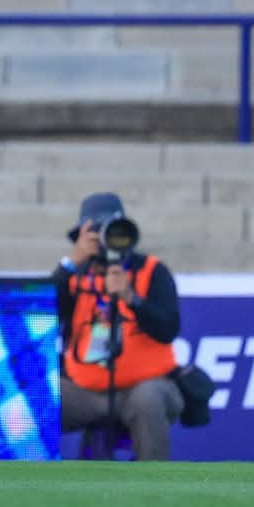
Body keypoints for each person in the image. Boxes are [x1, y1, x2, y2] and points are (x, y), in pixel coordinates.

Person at [55, 193, 183, 461]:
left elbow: (169, 329)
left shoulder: (151, 270)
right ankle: (22, 474)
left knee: (148, 399)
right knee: (38, 396)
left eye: (112, 232)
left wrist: (131, 298)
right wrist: (71, 263)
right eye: (96, 233)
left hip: (145, 387)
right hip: (83, 391)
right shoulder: (76, 274)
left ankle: (155, 480)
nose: (104, 240)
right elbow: (45, 316)